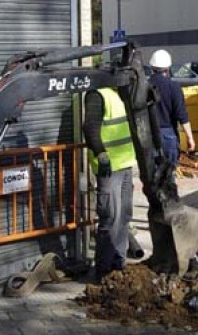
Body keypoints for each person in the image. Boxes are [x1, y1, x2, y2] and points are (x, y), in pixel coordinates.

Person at [82, 87, 137, 281]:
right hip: (109, 167)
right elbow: (89, 127)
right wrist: (100, 152)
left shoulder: (120, 94)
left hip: (126, 164)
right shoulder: (97, 95)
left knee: (124, 216)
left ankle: (118, 264)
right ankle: (103, 269)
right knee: (111, 217)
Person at [148, 49, 194, 167]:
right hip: (168, 134)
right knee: (168, 176)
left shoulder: (144, 86)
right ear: (168, 68)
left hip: (148, 134)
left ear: (152, 67)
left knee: (151, 177)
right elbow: (182, 115)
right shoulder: (173, 87)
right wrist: (190, 138)